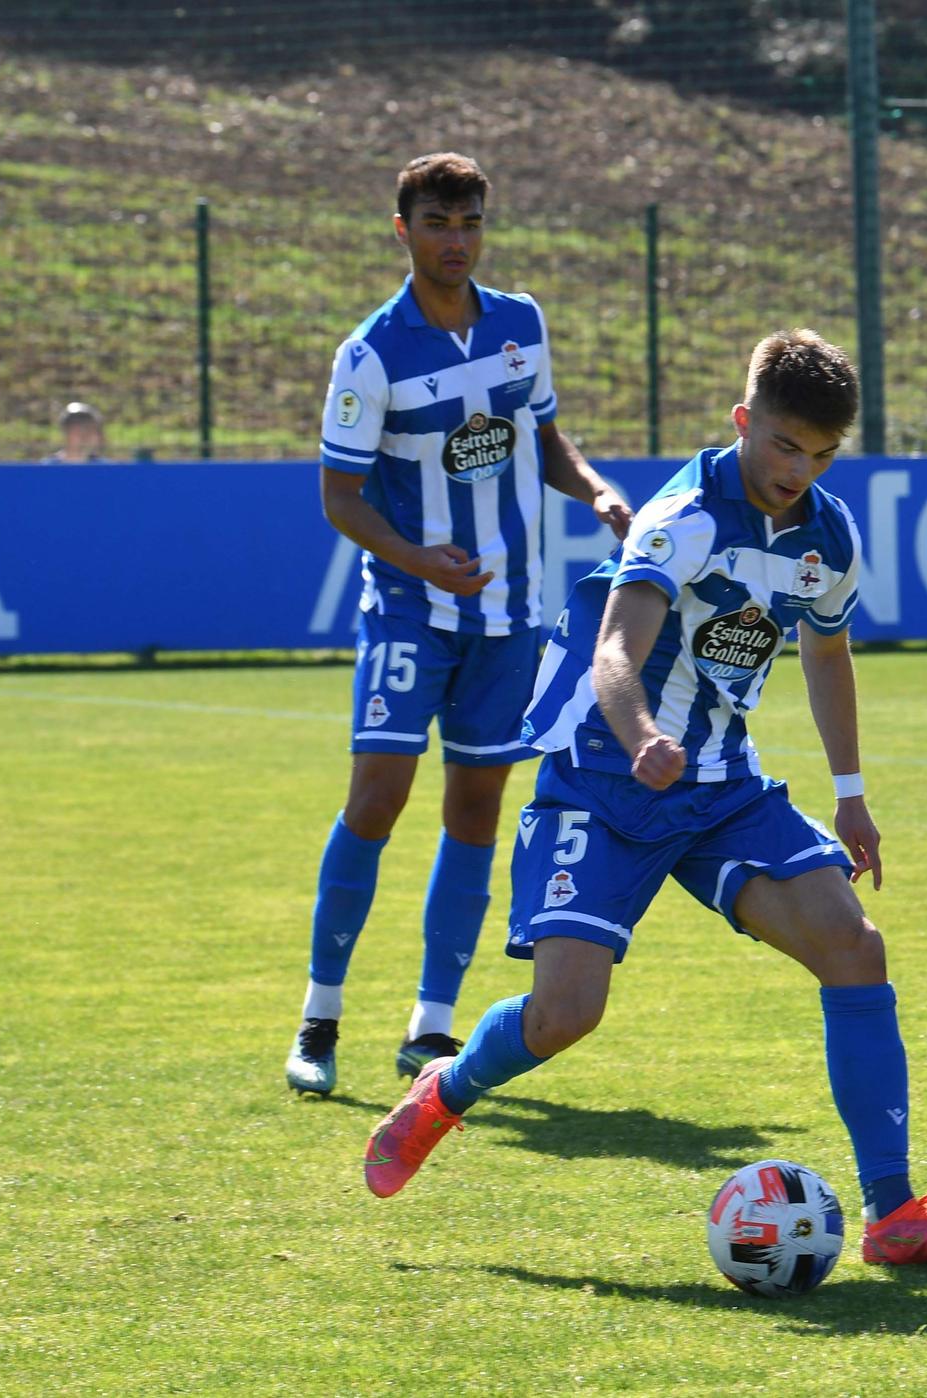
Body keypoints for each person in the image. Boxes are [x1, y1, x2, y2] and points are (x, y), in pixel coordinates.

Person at [362, 329, 927, 1268]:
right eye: (784, 444)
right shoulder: (684, 517)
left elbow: (826, 653)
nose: (799, 469)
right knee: (564, 1017)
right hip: (602, 781)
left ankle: (894, 1213)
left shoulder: (829, 537)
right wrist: (641, 738)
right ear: (745, 422)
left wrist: (852, 796)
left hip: (722, 791)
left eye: (821, 454)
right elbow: (615, 651)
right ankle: (447, 1092)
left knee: (853, 946)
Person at [285, 153, 632, 1096]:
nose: (456, 240)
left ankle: (431, 1027)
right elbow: (340, 498)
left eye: (470, 222)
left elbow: (545, 439)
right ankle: (320, 1018)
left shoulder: (519, 324)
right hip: (411, 608)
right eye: (438, 223)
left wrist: (595, 489)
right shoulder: (371, 354)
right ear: (403, 230)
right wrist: (418, 559)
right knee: (378, 800)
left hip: (512, 613)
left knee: (477, 809)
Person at [43, 402, 108, 462]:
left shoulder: (106, 468)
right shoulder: (46, 466)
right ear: (65, 432)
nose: (83, 435)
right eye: (77, 430)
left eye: (89, 429)